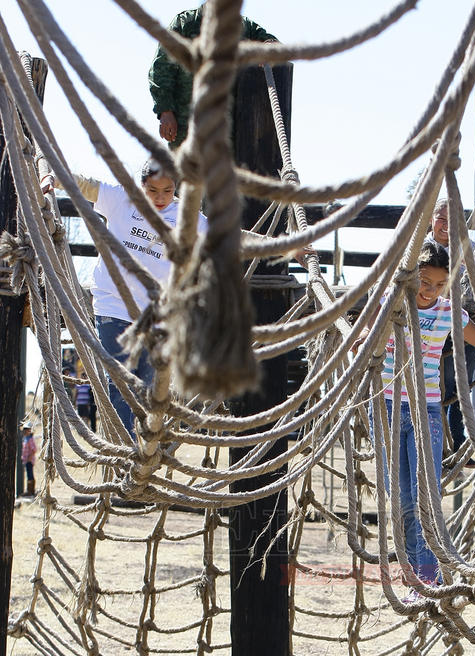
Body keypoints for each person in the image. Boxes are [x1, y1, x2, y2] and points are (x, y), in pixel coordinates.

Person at [360, 240, 475, 593]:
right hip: (385, 408)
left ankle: (429, 576)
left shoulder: (448, 312)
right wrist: (358, 342)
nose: (430, 291)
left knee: (423, 495)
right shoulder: (389, 304)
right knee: (401, 498)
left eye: (440, 285)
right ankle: (416, 576)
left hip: (425, 410)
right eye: (425, 282)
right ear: (412, 277)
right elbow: (365, 334)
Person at [43, 159, 207, 437]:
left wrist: (289, 247)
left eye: (167, 191)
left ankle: (139, 455)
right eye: (153, 190)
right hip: (113, 305)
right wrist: (54, 177)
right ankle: (125, 457)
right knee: (121, 383)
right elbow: (87, 186)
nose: (159, 198)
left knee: (148, 392)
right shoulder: (123, 199)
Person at [148, 5, 277, 148]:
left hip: (232, 133)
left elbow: (274, 46)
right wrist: (165, 111)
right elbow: (161, 69)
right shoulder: (185, 23)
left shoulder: (243, 27)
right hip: (187, 129)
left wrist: (268, 48)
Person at [430, 197, 475, 454]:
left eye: (452, 221)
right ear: (432, 220)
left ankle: (457, 439)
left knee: (460, 383)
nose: (446, 226)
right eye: (441, 219)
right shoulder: (422, 247)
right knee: (435, 381)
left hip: (464, 322)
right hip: (430, 325)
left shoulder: (468, 247)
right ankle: (438, 440)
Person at [21, 424, 37, 497]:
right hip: (26, 459)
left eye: (27, 429)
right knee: (29, 474)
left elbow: (34, 449)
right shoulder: (26, 438)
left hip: (29, 460)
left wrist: (29, 457)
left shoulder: (30, 439)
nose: (25, 431)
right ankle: (30, 491)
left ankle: (30, 491)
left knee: (30, 474)